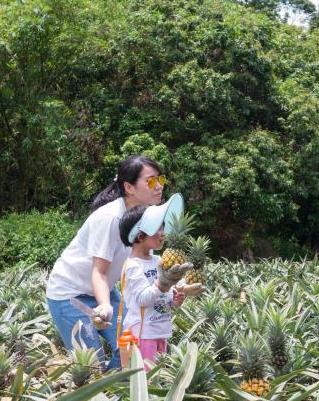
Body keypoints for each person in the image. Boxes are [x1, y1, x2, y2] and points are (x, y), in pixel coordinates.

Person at [45, 155, 167, 370]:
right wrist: (104, 305)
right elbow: (99, 272)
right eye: (150, 181)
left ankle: (116, 395)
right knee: (91, 366)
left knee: (132, 346)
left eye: (160, 179)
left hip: (105, 292)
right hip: (71, 296)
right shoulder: (110, 218)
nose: (158, 186)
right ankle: (99, 395)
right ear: (129, 187)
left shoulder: (146, 217)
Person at [117, 196, 202, 365]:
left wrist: (176, 299)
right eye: (158, 228)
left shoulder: (158, 261)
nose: (163, 233)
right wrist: (162, 284)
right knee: (147, 382)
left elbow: (165, 296)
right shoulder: (133, 266)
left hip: (161, 331)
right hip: (143, 335)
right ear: (141, 235)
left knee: (158, 379)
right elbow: (143, 299)